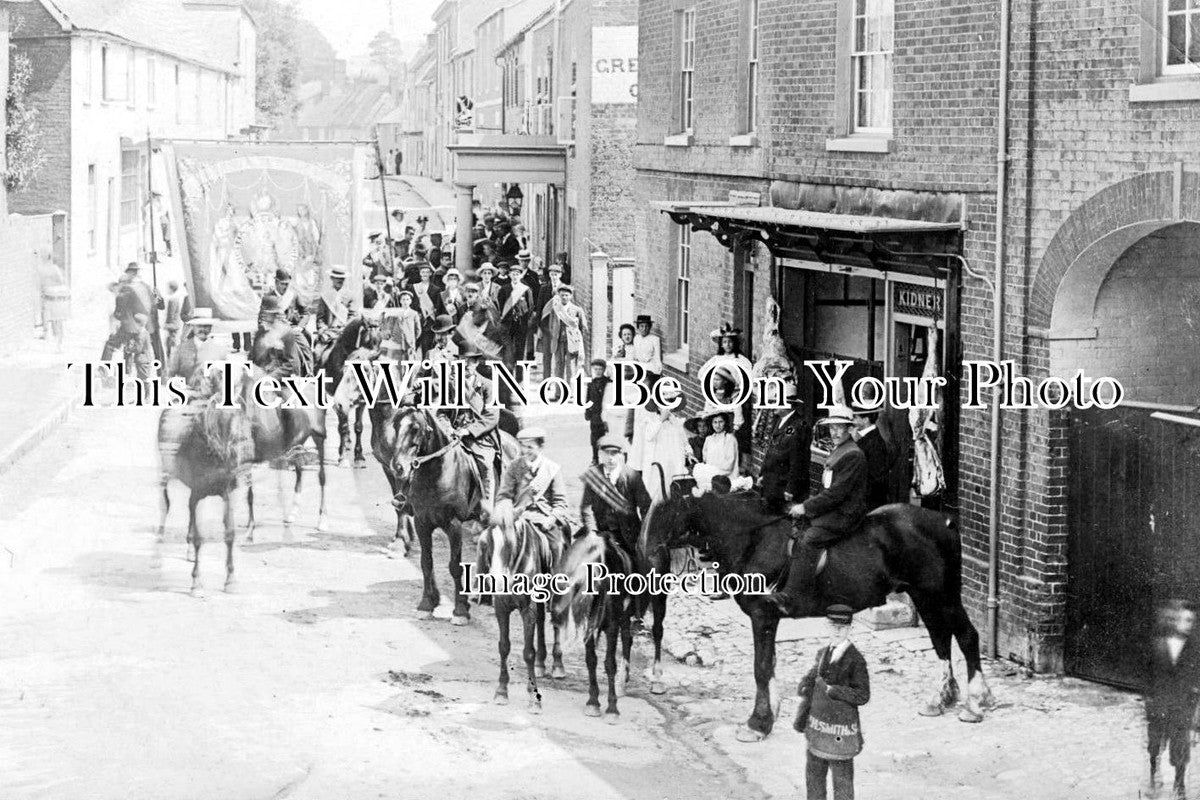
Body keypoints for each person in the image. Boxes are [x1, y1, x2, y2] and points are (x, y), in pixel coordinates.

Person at [768, 405, 869, 615]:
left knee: (810, 538)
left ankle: (792, 596)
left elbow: (836, 494)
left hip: (845, 513)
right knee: (795, 529)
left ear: (850, 429)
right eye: (832, 428)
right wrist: (807, 506)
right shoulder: (839, 450)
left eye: (840, 428)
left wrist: (806, 507)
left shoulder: (853, 455)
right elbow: (825, 488)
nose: (835, 432)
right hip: (834, 508)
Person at [795, 604, 871, 800]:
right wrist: (805, 683)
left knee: (842, 780)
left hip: (841, 732)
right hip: (819, 727)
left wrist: (834, 691)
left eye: (842, 628)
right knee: (814, 775)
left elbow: (863, 695)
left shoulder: (856, 660)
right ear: (827, 627)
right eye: (833, 626)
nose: (837, 631)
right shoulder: (822, 653)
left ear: (850, 629)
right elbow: (813, 676)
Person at [1146, 599, 1200, 799]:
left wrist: (1194, 702)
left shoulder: (1194, 648)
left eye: (1191, 621)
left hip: (1181, 706)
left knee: (1180, 747)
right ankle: (1153, 773)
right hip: (1159, 704)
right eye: (1184, 620)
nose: (1188, 624)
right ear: (1173, 619)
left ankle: (1179, 783)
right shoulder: (1158, 645)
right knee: (1154, 743)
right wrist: (1150, 701)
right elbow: (1149, 675)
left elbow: (1196, 677)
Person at [447, 342, 502, 519]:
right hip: (454, 434)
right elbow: (441, 411)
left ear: (476, 363)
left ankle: (487, 512)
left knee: (486, 466)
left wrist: (469, 431)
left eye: (470, 362)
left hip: (480, 437)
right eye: (463, 361)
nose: (467, 365)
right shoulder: (451, 385)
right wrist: (447, 428)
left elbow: (491, 416)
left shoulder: (487, 385)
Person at [493, 426, 571, 544]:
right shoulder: (514, 467)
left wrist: (551, 519)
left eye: (530, 447)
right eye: (522, 446)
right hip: (519, 517)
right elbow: (503, 495)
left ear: (541, 447)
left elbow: (560, 503)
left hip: (544, 517)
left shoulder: (552, 468)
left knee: (556, 545)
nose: (525, 451)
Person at [580, 434, 653, 554]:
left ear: (621, 455)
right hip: (600, 532)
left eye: (614, 453)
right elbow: (586, 507)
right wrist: (592, 531)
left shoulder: (632, 476)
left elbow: (646, 507)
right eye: (606, 453)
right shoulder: (593, 476)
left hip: (628, 534)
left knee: (640, 565)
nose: (610, 458)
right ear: (600, 454)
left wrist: (644, 534)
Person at [759, 381, 811, 514]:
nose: (773, 404)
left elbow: (798, 461)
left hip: (784, 490)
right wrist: (763, 474)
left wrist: (791, 488)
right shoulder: (781, 420)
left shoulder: (799, 426)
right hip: (772, 484)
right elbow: (771, 452)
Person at [635, 384, 691, 502]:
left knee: (674, 489)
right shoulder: (652, 421)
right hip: (659, 462)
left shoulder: (675, 422)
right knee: (657, 490)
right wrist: (661, 420)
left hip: (674, 462)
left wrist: (688, 452)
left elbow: (683, 440)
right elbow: (649, 436)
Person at [260, 268, 313, 376]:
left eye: (287, 284)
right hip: (273, 330)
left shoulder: (293, 295)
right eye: (282, 284)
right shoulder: (268, 297)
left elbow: (306, 313)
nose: (285, 287)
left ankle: (309, 371)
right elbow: (261, 318)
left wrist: (300, 327)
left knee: (305, 345)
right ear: (276, 282)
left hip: (292, 329)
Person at [167, 308, 220, 395]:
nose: (203, 329)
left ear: (211, 327)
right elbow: (170, 375)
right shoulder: (181, 349)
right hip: (186, 399)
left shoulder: (218, 350)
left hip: (210, 401)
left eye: (206, 326)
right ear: (193, 326)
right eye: (199, 325)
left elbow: (223, 382)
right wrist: (179, 387)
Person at [542, 284, 588, 380]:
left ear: (570, 296)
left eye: (567, 295)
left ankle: (569, 391)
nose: (564, 297)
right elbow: (551, 325)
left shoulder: (577, 310)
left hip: (571, 342)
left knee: (570, 366)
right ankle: (559, 392)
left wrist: (578, 341)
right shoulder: (555, 309)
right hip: (558, 341)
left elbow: (582, 328)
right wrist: (554, 335)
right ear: (558, 296)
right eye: (562, 295)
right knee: (558, 365)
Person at [852, 403, 893, 509]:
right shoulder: (866, 438)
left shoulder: (874, 442)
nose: (853, 422)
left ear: (865, 420)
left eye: (855, 418)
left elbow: (876, 477)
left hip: (869, 502)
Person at [498, 261, 534, 369]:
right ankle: (507, 376)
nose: (515, 276)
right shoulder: (504, 289)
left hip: (521, 324)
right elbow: (500, 306)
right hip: (507, 324)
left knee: (520, 350)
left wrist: (525, 320)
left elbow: (530, 307)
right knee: (507, 350)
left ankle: (519, 378)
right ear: (509, 275)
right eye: (513, 274)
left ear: (520, 275)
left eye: (517, 274)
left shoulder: (526, 290)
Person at [585, 358, 610, 464]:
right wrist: (587, 411)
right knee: (594, 438)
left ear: (604, 369)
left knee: (606, 437)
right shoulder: (591, 383)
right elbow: (588, 399)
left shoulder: (608, 383)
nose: (598, 371)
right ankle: (595, 458)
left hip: (606, 415)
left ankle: (606, 459)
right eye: (596, 369)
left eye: (600, 369)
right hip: (595, 415)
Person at [701, 411, 740, 479]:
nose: (718, 425)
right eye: (715, 422)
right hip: (711, 476)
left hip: (726, 478)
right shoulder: (709, 439)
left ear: (725, 423)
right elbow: (705, 459)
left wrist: (715, 473)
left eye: (720, 422)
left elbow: (729, 463)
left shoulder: (729, 438)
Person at [161, 279, 193, 357]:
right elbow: (182, 314)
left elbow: (171, 315)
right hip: (184, 325)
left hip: (174, 326)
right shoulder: (185, 298)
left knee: (172, 345)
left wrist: (167, 325)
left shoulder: (173, 300)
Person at [391, 290, 422, 361]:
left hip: (409, 343)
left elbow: (418, 330)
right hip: (398, 342)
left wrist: (411, 337)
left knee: (409, 362)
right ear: (400, 301)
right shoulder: (396, 313)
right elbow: (392, 327)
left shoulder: (414, 313)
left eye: (407, 299)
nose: (405, 302)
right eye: (403, 299)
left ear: (410, 301)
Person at [633, 314, 663, 388]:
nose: (644, 329)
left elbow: (657, 357)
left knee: (646, 388)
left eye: (646, 326)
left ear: (649, 327)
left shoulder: (654, 339)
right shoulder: (636, 338)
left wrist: (658, 371)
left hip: (650, 369)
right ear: (638, 327)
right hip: (639, 368)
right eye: (642, 326)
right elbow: (635, 355)